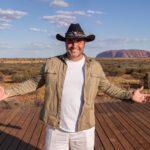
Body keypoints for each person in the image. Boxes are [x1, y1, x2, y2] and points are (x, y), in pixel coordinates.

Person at [0, 23, 150, 150]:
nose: (74, 45)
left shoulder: (94, 66)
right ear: (65, 43)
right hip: (56, 129)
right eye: (70, 41)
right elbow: (34, 82)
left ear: (84, 43)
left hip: (84, 130)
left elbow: (108, 87)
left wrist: (129, 95)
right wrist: (7, 92)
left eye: (78, 41)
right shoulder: (53, 63)